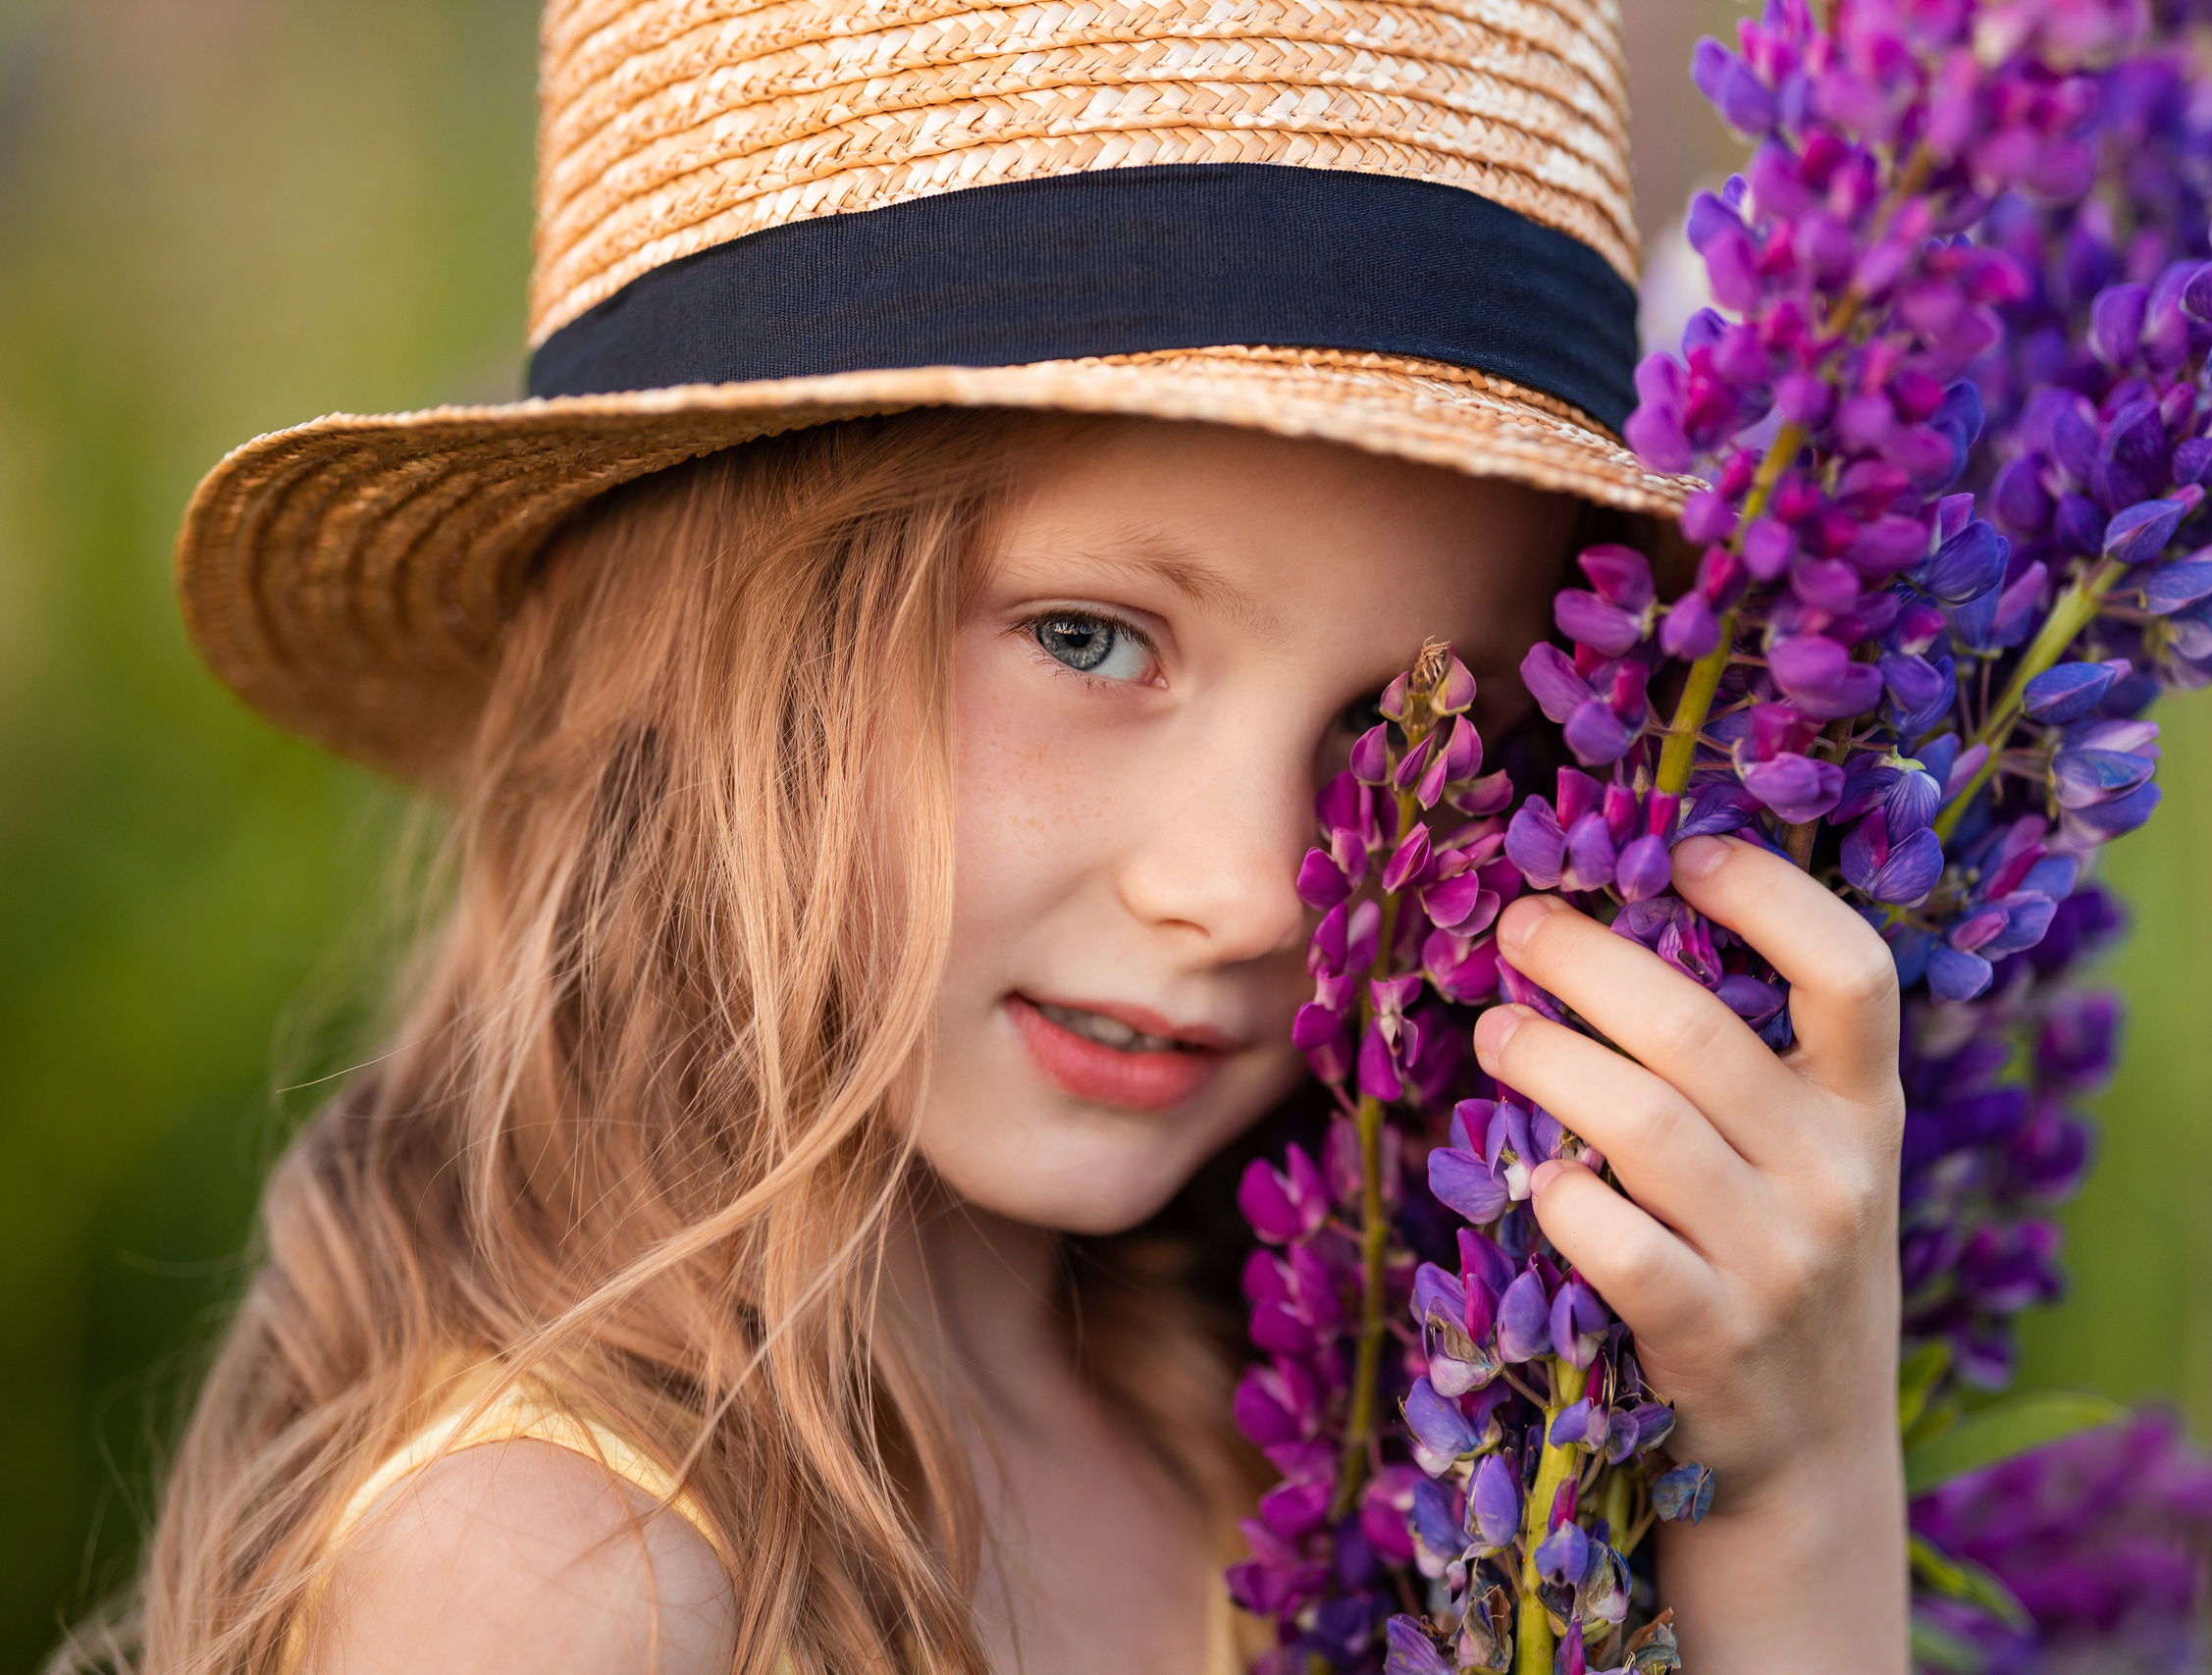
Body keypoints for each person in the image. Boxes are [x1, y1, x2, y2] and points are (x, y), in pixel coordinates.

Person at [110, 3, 1911, 1672]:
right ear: (675, 634)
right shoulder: (560, 1579)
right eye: (1088, 639)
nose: (1238, 894)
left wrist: (1790, 1485)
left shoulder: (1278, 1404)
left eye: (1395, 734)